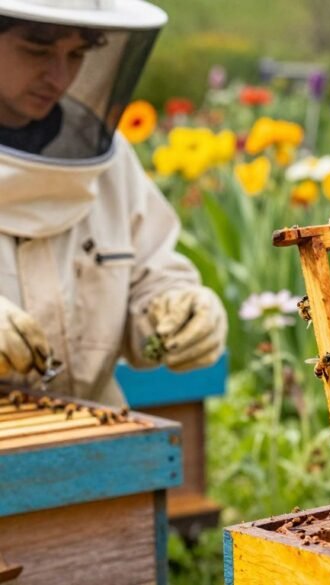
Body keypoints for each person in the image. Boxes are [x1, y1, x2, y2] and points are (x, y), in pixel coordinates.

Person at [0, 0, 227, 406]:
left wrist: (178, 309)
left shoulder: (108, 160)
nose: (60, 76)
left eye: (78, 54)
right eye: (37, 49)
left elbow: (150, 276)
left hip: (94, 449)